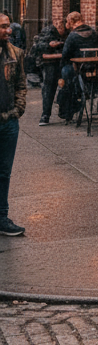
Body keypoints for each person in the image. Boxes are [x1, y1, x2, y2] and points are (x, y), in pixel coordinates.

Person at [0, 12, 27, 236]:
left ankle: (1, 217)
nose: (8, 31)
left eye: (8, 26)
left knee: (4, 173)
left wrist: (17, 110)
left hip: (8, 122)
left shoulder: (15, 53)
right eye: (2, 27)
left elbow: (20, 84)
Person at [58, 13, 98, 121]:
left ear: (71, 22)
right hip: (93, 69)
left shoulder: (72, 36)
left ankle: (68, 109)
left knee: (64, 74)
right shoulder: (93, 33)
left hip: (78, 69)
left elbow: (65, 55)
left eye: (67, 21)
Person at [37, 16, 67, 126]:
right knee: (48, 88)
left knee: (66, 86)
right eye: (58, 25)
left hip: (63, 62)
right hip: (49, 63)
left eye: (61, 25)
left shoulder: (69, 32)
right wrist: (49, 45)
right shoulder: (47, 32)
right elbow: (39, 46)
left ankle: (64, 111)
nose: (60, 27)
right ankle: (45, 115)